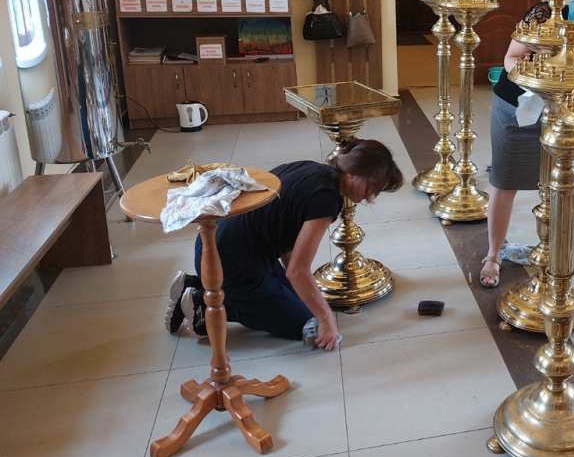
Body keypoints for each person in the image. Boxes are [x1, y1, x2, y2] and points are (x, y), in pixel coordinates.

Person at [164, 140, 404, 350]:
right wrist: (327, 320)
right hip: (232, 262)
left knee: (305, 304)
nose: (369, 198)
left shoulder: (312, 169)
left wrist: (298, 291)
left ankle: (195, 283)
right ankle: (201, 302)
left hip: (214, 245)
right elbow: (298, 271)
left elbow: (287, 242)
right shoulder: (326, 199)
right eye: (371, 188)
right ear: (354, 174)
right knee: (308, 326)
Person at [481, 0, 574, 287]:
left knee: (555, 186)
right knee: (505, 181)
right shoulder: (545, 15)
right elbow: (511, 58)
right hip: (516, 106)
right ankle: (493, 255)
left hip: (559, 116)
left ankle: (551, 251)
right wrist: (541, 84)